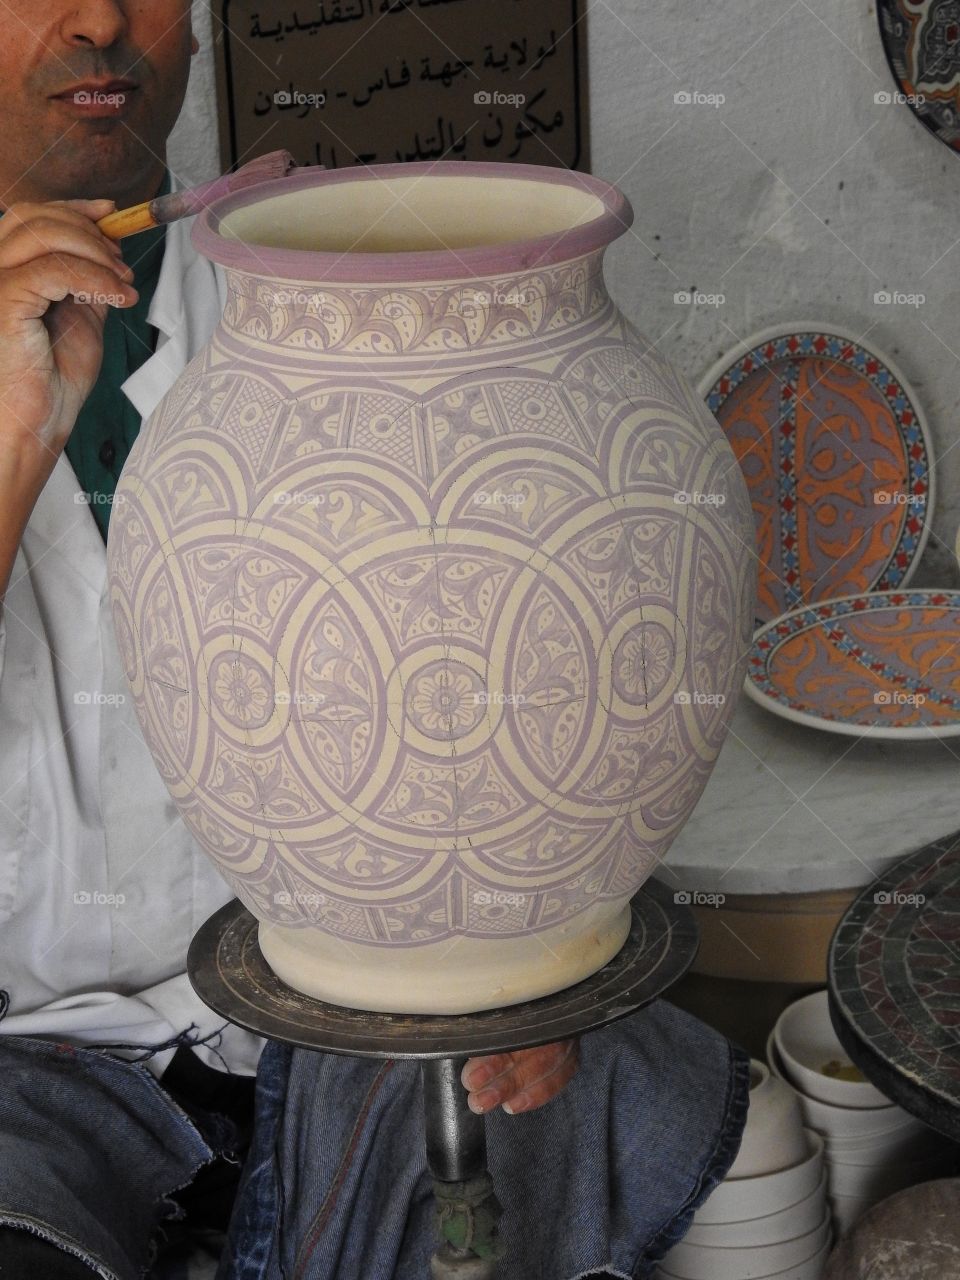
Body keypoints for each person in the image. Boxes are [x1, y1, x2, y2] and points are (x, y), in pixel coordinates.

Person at [0, 3, 749, 1278]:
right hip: (29, 1058)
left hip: (360, 1009)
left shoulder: (330, 299)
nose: (103, 20)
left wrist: (540, 938)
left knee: (598, 1100)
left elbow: (526, 670)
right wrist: (16, 442)